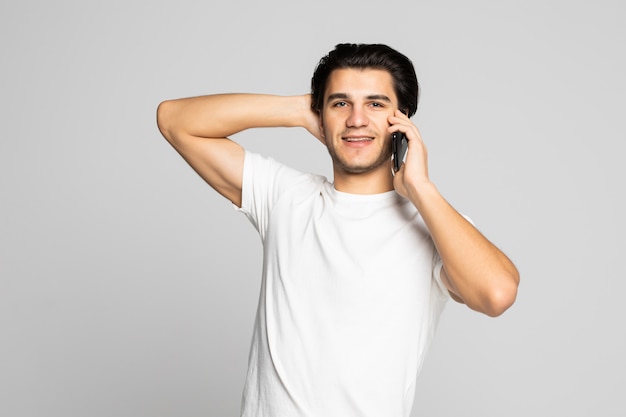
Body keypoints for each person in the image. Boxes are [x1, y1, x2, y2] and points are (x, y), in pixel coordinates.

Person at [156, 43, 519, 417]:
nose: (357, 119)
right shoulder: (285, 197)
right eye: (340, 103)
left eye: (376, 104)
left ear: (403, 120)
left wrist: (421, 189)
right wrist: (300, 110)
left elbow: (496, 293)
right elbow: (174, 120)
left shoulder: (433, 224)